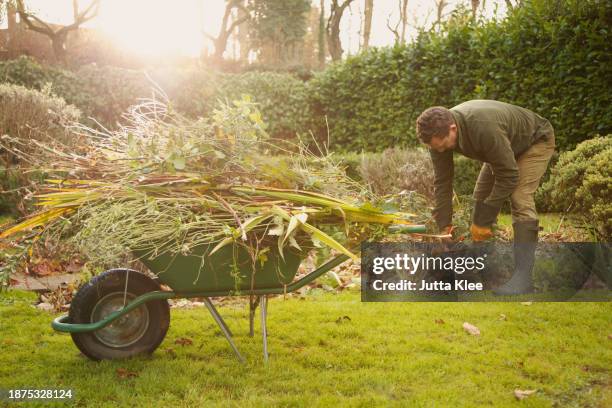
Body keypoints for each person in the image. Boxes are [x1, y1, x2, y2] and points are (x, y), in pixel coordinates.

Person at [416, 100, 556, 295]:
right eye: (436, 148)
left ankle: (523, 279)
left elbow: (509, 175)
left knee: (519, 198)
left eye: (443, 145)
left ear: (453, 128)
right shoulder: (437, 138)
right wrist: (444, 225)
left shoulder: (482, 127)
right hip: (504, 148)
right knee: (479, 199)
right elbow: (443, 182)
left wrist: (483, 221)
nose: (441, 151)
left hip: (534, 141)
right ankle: (485, 268)